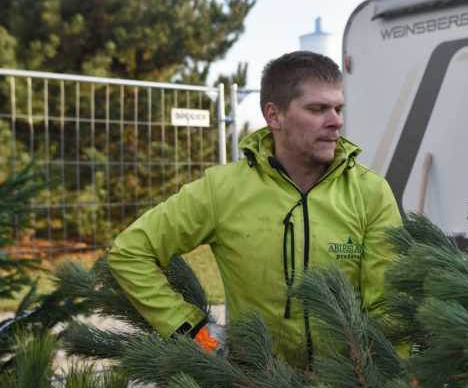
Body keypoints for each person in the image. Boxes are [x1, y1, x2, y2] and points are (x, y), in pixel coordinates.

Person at [108, 51, 402, 368]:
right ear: (274, 116)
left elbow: (388, 305)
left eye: (338, 108)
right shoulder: (222, 189)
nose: (336, 121)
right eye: (318, 109)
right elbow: (130, 252)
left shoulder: (369, 191)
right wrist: (197, 334)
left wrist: (390, 384)